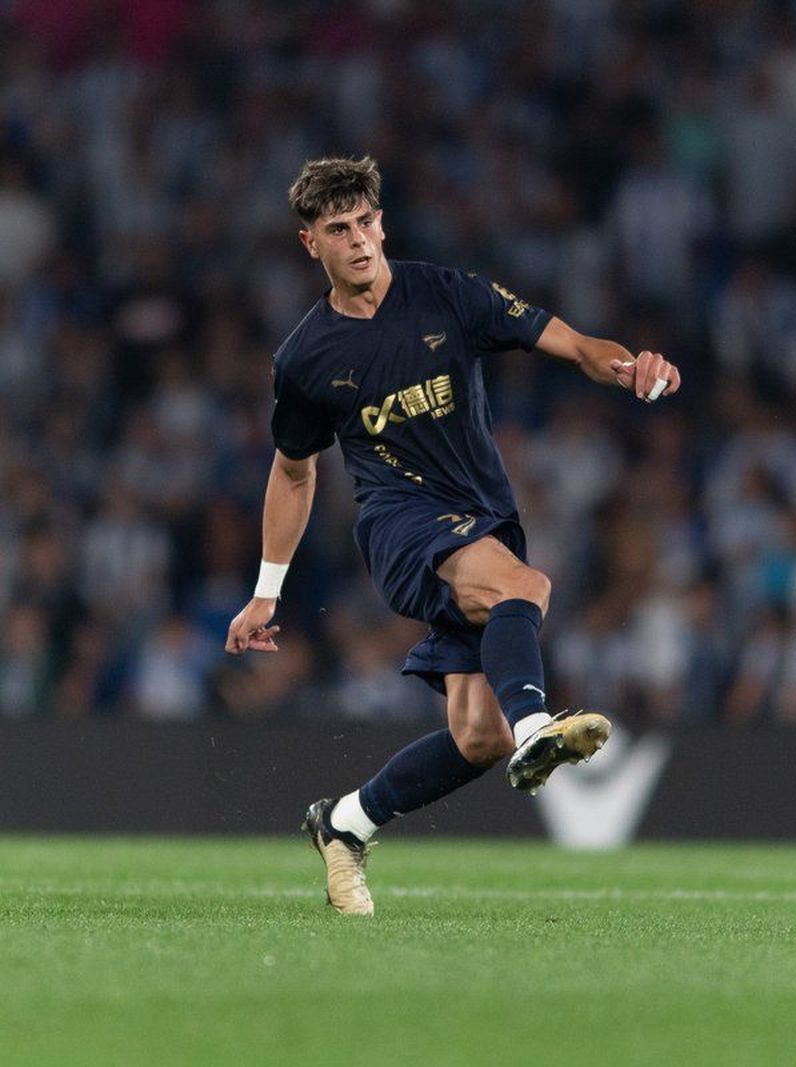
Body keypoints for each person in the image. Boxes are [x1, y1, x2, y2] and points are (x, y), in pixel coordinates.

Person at [224, 157, 681, 915]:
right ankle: (540, 724)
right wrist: (266, 591)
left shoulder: (448, 294)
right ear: (313, 245)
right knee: (523, 588)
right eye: (339, 230)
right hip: (400, 527)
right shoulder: (307, 358)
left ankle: (346, 822)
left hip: (482, 516)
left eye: (366, 222)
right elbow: (295, 472)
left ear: (382, 222)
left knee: (477, 736)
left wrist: (632, 367)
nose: (360, 241)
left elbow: (570, 344)